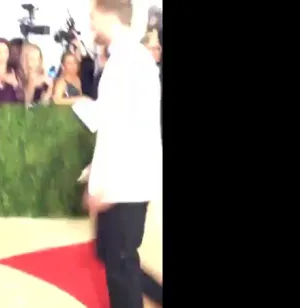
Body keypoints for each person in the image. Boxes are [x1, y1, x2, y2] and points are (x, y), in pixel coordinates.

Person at [83, 0, 163, 307]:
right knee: (114, 256)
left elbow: (126, 131)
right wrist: (96, 173)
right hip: (124, 180)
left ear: (108, 15)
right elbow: (116, 126)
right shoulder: (126, 58)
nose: (90, 24)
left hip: (124, 184)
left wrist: (105, 187)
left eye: (93, 17)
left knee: (120, 265)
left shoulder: (128, 61)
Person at [19, 43, 53, 107]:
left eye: (37, 59)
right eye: (31, 59)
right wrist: (32, 84)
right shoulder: (18, 77)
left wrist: (49, 89)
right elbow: (26, 105)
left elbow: (44, 103)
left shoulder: (42, 75)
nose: (35, 62)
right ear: (24, 60)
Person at [0, 38, 21, 105]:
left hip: (12, 113)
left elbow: (23, 100)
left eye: (5, 51)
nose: (2, 55)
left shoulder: (15, 72)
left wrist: (15, 84)